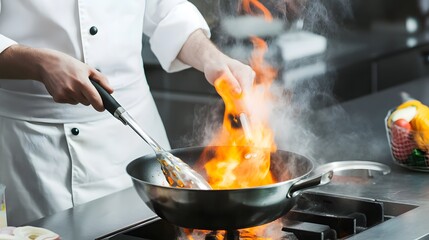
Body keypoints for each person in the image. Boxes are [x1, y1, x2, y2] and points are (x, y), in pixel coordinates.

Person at [0, 0, 255, 226]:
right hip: (34, 149)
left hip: (136, 141)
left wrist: (211, 58)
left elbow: (164, 9)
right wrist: (39, 64)